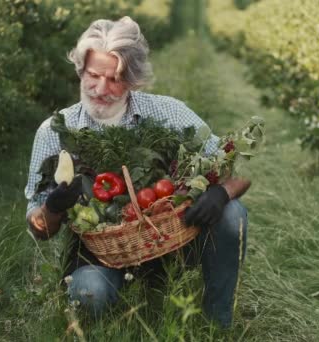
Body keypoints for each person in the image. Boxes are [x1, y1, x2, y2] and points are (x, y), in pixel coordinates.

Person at [24, 16, 250, 328]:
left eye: (115, 79)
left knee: (232, 214)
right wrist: (53, 206)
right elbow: (38, 228)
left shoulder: (167, 113)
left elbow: (240, 172)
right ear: (80, 70)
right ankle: (109, 323)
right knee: (89, 293)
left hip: (173, 244)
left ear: (132, 79)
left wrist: (220, 192)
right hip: (98, 257)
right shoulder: (54, 132)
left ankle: (217, 324)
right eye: (93, 75)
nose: (101, 88)